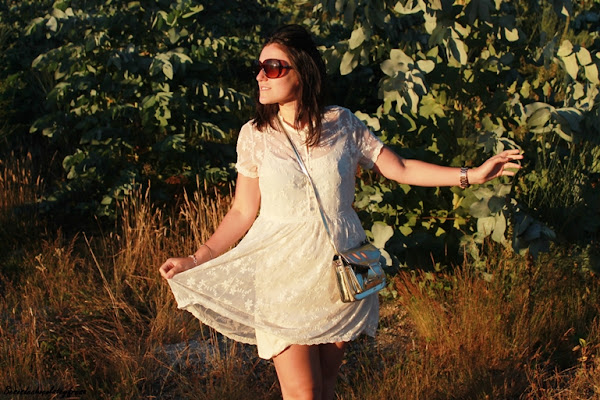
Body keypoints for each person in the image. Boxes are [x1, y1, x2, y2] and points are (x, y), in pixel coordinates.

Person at [159, 24, 523, 400]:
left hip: (345, 267)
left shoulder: (343, 123)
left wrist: (472, 175)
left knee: (326, 385)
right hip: (282, 274)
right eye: (259, 68)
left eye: (272, 67)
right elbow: (241, 211)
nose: (260, 77)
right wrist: (196, 258)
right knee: (303, 391)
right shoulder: (255, 135)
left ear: (303, 71)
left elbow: (400, 168)